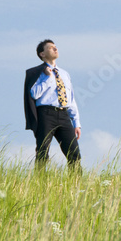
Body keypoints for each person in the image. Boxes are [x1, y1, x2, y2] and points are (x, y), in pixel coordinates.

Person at [23, 39, 82, 170]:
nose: (55, 49)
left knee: (74, 154)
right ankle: (40, 183)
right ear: (42, 54)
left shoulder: (64, 74)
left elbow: (70, 99)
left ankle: (76, 185)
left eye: (55, 47)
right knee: (43, 151)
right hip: (45, 114)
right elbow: (34, 94)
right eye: (50, 48)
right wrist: (47, 78)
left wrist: (76, 122)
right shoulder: (37, 72)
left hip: (64, 114)